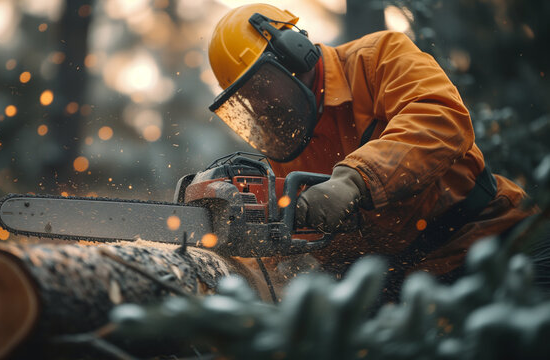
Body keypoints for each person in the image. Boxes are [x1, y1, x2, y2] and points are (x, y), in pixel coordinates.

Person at [207, 3, 538, 300]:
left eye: (261, 87)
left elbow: (440, 120)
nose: (260, 105)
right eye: (248, 98)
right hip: (400, 283)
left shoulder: (378, 58)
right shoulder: (285, 143)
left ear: (293, 52)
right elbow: (272, 238)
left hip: (492, 238)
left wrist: (354, 180)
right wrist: (232, 253)